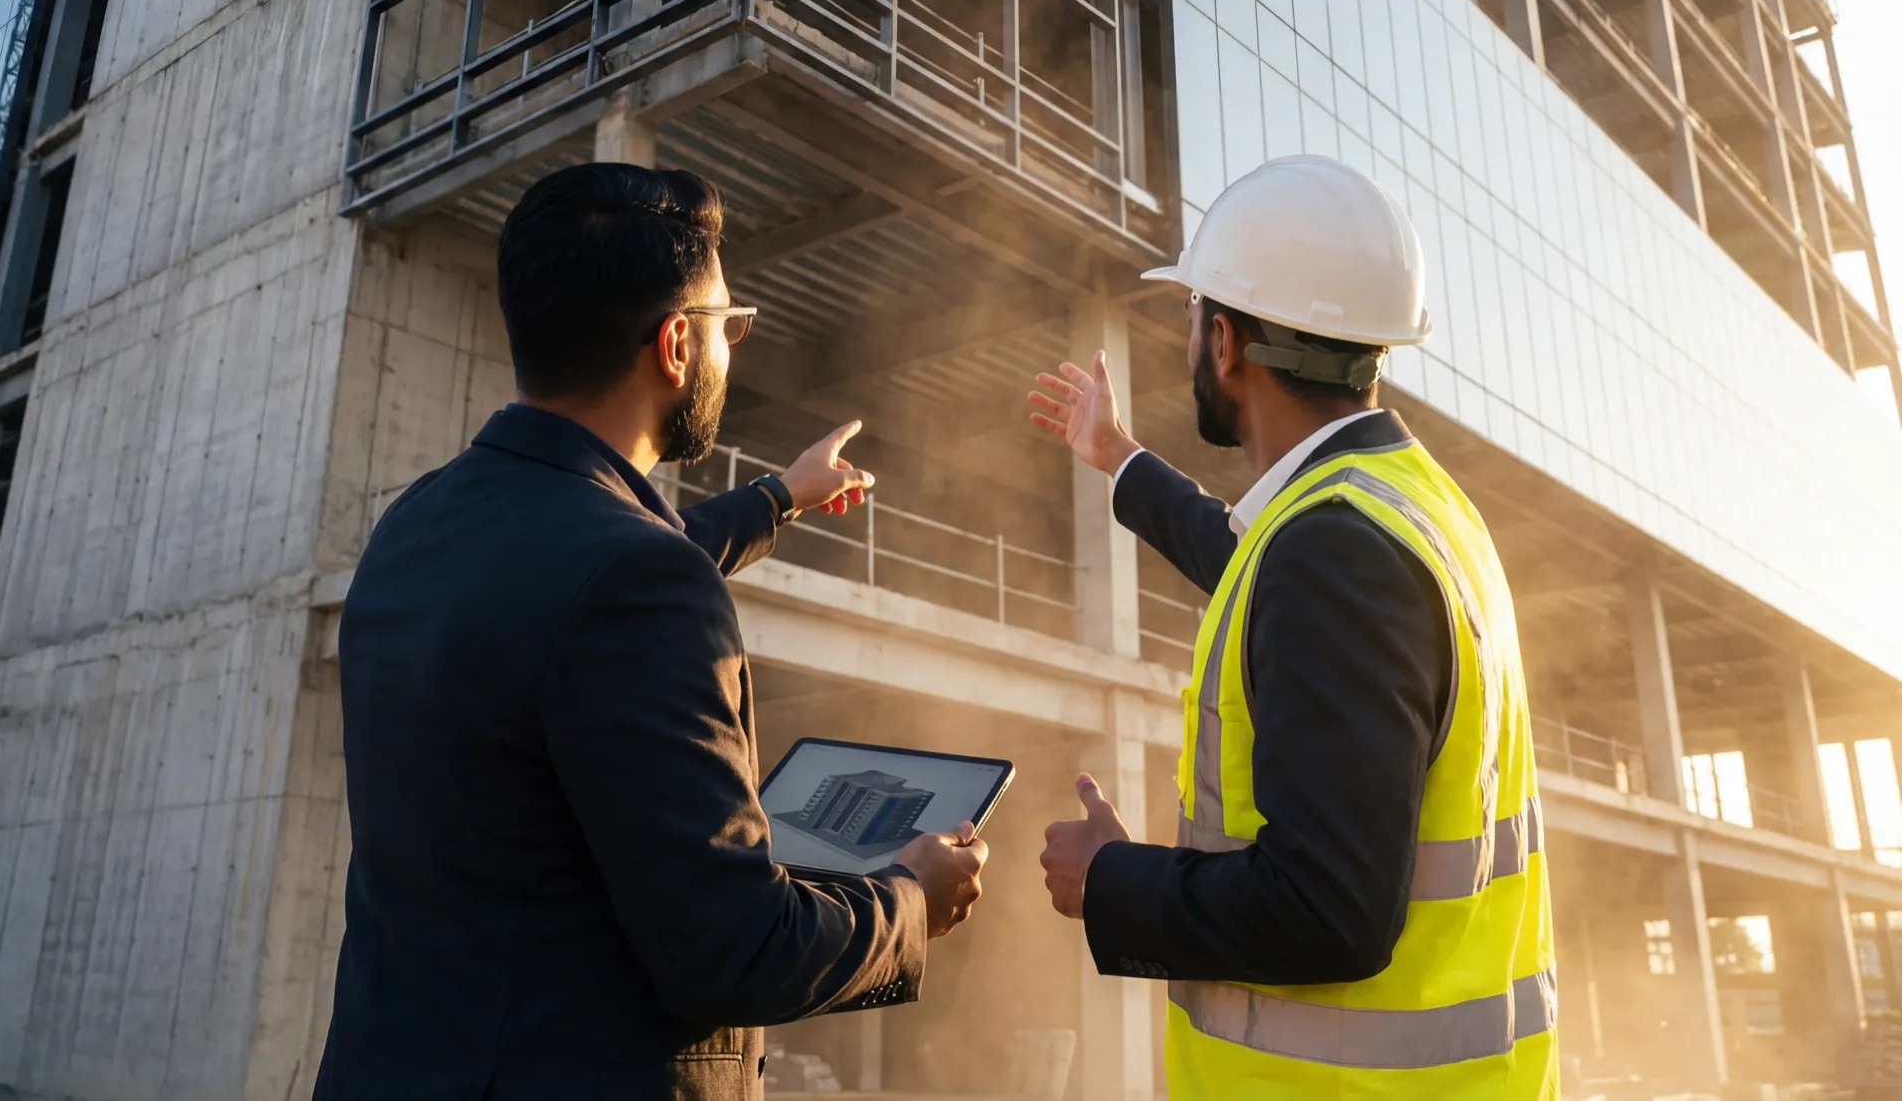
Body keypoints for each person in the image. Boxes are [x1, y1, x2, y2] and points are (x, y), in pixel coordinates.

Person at [315, 163, 987, 1101]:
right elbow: (738, 950)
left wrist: (778, 497)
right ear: (677, 343)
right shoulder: (634, 578)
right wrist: (911, 898)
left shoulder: (418, 521)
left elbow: (584, 574)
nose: (731, 347)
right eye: (727, 325)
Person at [1026, 155, 1556, 1099]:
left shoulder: (1336, 550)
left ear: (1225, 342)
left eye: (1193, 314)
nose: (1189, 334)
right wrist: (1117, 457)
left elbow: (1328, 910)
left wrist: (1114, 879)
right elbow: (1250, 561)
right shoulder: (1400, 507)